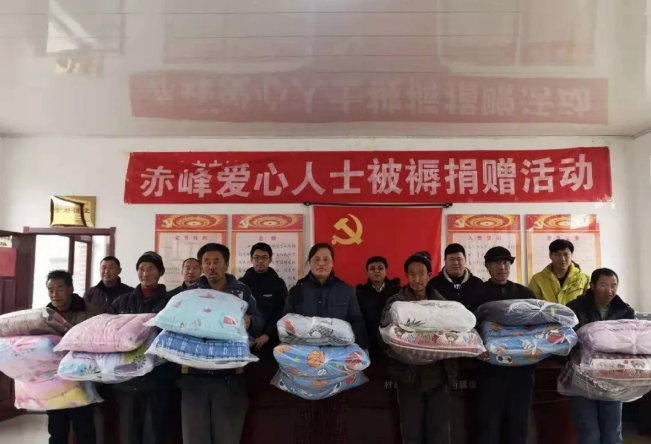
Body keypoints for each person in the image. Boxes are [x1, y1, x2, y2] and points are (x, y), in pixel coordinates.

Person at [179, 243, 264, 444]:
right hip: (195, 378)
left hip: (230, 378)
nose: (211, 266)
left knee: (227, 437)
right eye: (206, 262)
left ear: (226, 264)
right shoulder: (191, 293)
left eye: (216, 261)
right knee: (194, 439)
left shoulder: (241, 291)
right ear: (201, 266)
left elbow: (259, 320)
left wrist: (250, 321)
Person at [284, 243, 369, 444]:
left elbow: (356, 320)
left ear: (332, 263)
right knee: (306, 422)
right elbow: (286, 323)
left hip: (337, 365)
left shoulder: (346, 291)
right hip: (305, 365)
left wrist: (364, 349)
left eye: (326, 260)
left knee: (336, 421)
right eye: (316, 259)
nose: (321, 263)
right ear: (309, 263)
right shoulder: (296, 290)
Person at [380, 252, 455, 444]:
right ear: (406, 276)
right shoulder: (395, 303)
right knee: (411, 432)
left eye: (421, 273)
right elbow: (384, 335)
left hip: (437, 376)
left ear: (429, 275)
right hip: (408, 376)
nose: (417, 278)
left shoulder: (443, 304)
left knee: (439, 433)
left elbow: (453, 335)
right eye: (412, 274)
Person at [107, 252, 178, 444]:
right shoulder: (122, 302)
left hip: (159, 380)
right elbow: (107, 331)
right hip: (127, 380)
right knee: (128, 433)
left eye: (150, 269)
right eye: (141, 269)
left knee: (154, 433)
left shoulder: (172, 302)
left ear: (161, 272)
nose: (145, 273)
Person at [471, 246, 537, 444]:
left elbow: (536, 328)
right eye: (497, 263)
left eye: (506, 263)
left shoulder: (525, 294)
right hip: (490, 370)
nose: (502, 267)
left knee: (518, 424)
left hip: (521, 371)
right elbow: (470, 328)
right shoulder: (477, 294)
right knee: (488, 424)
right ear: (487, 266)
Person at [567, 268, 634, 444]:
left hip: (612, 378)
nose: (609, 290)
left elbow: (632, 342)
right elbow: (565, 341)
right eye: (604, 285)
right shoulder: (574, 308)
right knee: (589, 434)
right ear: (592, 286)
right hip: (583, 378)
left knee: (612, 432)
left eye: (614, 285)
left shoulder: (625, 311)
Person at [45, 270, 99, 444]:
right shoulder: (44, 315)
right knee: (56, 430)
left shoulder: (90, 312)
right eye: (51, 290)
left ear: (71, 289)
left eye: (60, 289)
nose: (55, 294)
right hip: (54, 381)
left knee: (84, 429)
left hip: (81, 380)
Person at [238, 242, 288, 355]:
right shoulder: (241, 283)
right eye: (256, 257)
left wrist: (267, 335)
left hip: (269, 340)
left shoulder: (278, 283)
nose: (260, 261)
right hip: (244, 339)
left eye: (264, 257)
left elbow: (281, 311)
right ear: (251, 259)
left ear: (270, 260)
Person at [356, 256, 400, 362]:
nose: (376, 271)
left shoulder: (397, 291)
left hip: (392, 342)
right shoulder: (360, 293)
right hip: (369, 342)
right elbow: (358, 319)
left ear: (386, 270)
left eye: (380, 268)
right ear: (367, 272)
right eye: (372, 268)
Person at [529, 239, 590, 305]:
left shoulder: (584, 278)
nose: (562, 259)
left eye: (566, 254)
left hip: (574, 312)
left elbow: (588, 304)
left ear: (571, 255)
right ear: (550, 255)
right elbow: (533, 305)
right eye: (557, 254)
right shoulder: (537, 279)